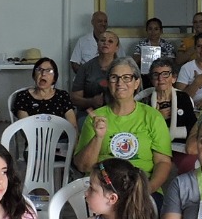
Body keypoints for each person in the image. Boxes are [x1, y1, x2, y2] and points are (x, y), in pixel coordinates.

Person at [73, 59, 173, 195]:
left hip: (143, 188)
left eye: (127, 78)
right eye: (114, 78)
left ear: (136, 83)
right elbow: (83, 166)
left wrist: (147, 190)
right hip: (104, 191)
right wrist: (98, 137)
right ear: (108, 83)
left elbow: (163, 162)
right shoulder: (96, 117)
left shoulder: (153, 117)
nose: (120, 83)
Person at [141, 59, 197, 151]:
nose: (160, 78)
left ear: (174, 78)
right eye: (156, 75)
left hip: (181, 147)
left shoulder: (183, 98)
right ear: (151, 80)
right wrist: (158, 118)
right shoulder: (145, 101)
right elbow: (140, 129)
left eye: (165, 74)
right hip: (153, 147)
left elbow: (192, 126)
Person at [11, 57, 77, 125]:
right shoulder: (23, 96)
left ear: (54, 78)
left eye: (49, 70)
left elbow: (73, 125)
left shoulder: (62, 96)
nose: (43, 74)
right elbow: (25, 126)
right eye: (39, 69)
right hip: (32, 134)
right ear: (34, 75)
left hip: (60, 134)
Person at [73, 31, 122, 110]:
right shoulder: (85, 67)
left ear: (117, 48)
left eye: (110, 41)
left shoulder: (123, 68)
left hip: (117, 112)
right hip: (89, 112)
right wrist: (91, 101)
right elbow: (75, 98)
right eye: (102, 40)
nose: (106, 43)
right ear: (97, 44)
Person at [69, 10, 110, 80]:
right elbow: (74, 63)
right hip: (85, 80)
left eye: (105, 21)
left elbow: (121, 62)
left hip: (107, 80)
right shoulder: (82, 41)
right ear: (92, 23)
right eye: (100, 21)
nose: (103, 23)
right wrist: (87, 75)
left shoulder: (113, 41)